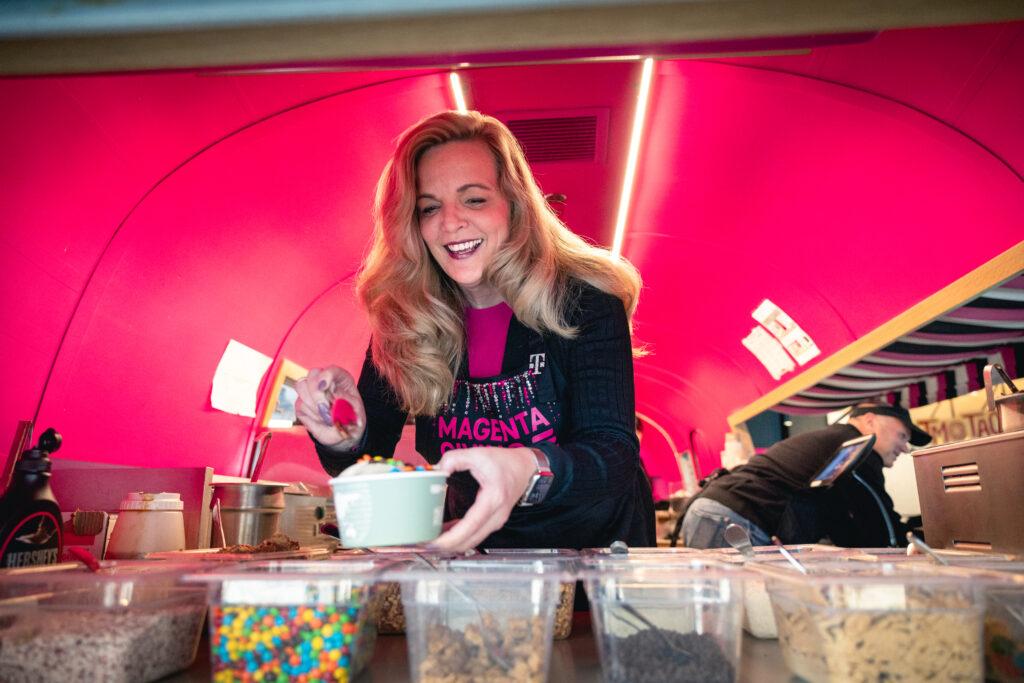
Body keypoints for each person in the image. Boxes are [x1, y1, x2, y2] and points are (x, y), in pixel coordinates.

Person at [294, 110, 655, 553]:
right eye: (429, 207)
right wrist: (342, 433)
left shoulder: (584, 302)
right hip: (481, 557)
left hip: (592, 560)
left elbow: (613, 453)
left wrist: (529, 468)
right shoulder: (407, 319)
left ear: (514, 204)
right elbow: (368, 457)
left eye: (474, 199)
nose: (451, 222)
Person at [680, 403, 932, 548]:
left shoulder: (833, 443)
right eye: (902, 435)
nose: (905, 447)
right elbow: (879, 522)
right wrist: (919, 544)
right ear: (869, 420)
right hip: (733, 520)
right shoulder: (857, 446)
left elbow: (841, 519)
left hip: (716, 512)